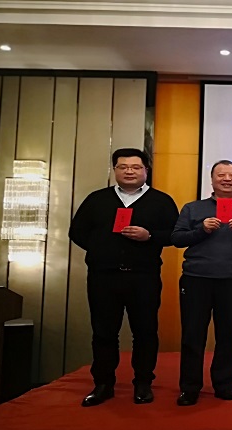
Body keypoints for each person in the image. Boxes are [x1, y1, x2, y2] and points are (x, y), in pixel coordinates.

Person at [69, 148, 179, 407]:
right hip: (103, 277)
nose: (130, 171)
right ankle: (103, 384)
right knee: (104, 332)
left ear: (146, 170)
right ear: (115, 170)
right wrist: (101, 248)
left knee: (145, 331)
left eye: (136, 167)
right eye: (123, 167)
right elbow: (77, 232)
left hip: (143, 277)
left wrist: (149, 236)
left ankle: (143, 383)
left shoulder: (161, 201)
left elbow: (175, 234)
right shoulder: (97, 199)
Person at [171, 160, 232, 406]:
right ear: (212, 179)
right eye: (221, 175)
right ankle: (190, 388)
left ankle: (224, 385)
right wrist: (201, 230)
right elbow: (177, 238)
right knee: (192, 335)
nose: (227, 179)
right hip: (196, 279)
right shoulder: (193, 208)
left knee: (229, 336)